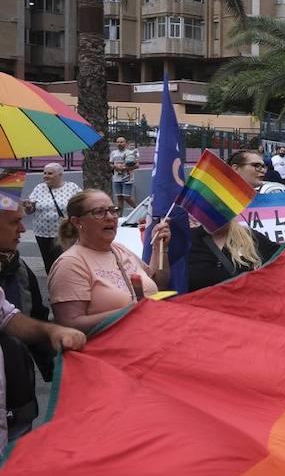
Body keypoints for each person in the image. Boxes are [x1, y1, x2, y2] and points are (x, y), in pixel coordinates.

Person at [0, 192, 85, 444]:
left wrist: (53, 334)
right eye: (14, 222)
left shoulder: (21, 268)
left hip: (18, 401)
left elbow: (11, 316)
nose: (23, 229)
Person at [49, 190, 171, 334]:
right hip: (107, 352)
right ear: (77, 222)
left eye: (113, 210)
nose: (110, 217)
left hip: (148, 341)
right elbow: (70, 324)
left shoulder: (120, 249)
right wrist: (130, 312)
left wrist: (159, 248)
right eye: (99, 212)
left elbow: (159, 284)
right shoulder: (70, 263)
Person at [187, 151, 281, 292]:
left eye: (264, 166)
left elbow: (283, 255)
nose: (262, 170)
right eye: (256, 165)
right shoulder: (191, 231)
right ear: (236, 168)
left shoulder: (271, 200)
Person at [23, 163, 81, 272]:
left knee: (64, 261)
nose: (45, 176)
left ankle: (66, 281)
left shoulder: (72, 187)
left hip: (64, 233)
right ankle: (52, 283)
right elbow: (30, 210)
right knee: (48, 262)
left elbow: (82, 205)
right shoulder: (39, 188)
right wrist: (28, 207)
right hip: (42, 233)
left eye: (50, 173)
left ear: (60, 174)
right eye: (44, 173)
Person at [109, 136, 139, 214]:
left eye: (121, 142)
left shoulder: (130, 152)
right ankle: (119, 216)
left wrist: (125, 168)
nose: (119, 143)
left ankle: (139, 210)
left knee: (127, 197)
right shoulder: (113, 153)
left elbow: (137, 165)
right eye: (118, 142)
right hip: (116, 178)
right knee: (119, 198)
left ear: (125, 143)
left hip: (127, 178)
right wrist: (115, 166)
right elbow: (110, 164)